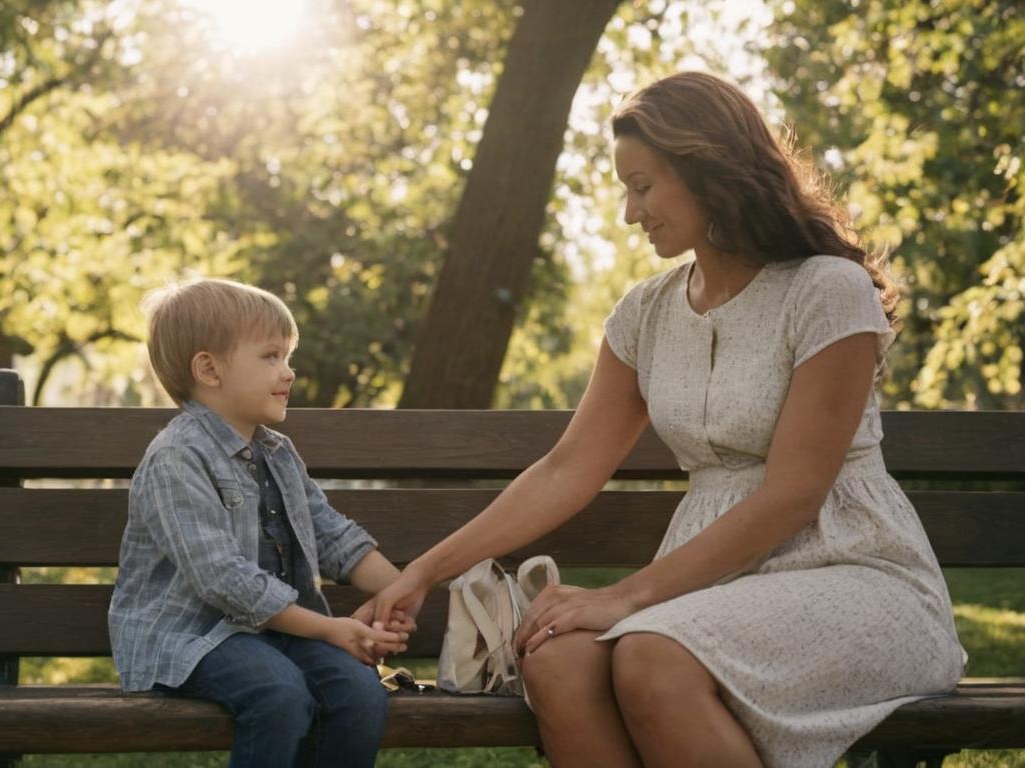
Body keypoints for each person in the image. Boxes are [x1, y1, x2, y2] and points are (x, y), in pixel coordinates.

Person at [357, 72, 964, 768]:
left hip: (855, 576)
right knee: (556, 662)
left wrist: (624, 596)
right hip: (708, 589)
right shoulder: (646, 314)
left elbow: (794, 494)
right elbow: (566, 468)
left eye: (642, 186)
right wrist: (424, 572)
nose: (628, 212)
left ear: (712, 172)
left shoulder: (827, 291)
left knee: (652, 658)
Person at [108, 278, 415, 768]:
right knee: (279, 694)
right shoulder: (175, 458)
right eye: (271, 357)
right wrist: (328, 628)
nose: (288, 372)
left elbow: (328, 533)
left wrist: (403, 590)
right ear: (209, 368)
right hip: (192, 637)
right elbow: (223, 578)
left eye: (288, 358)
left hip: (277, 632)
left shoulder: (276, 451)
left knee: (359, 694)